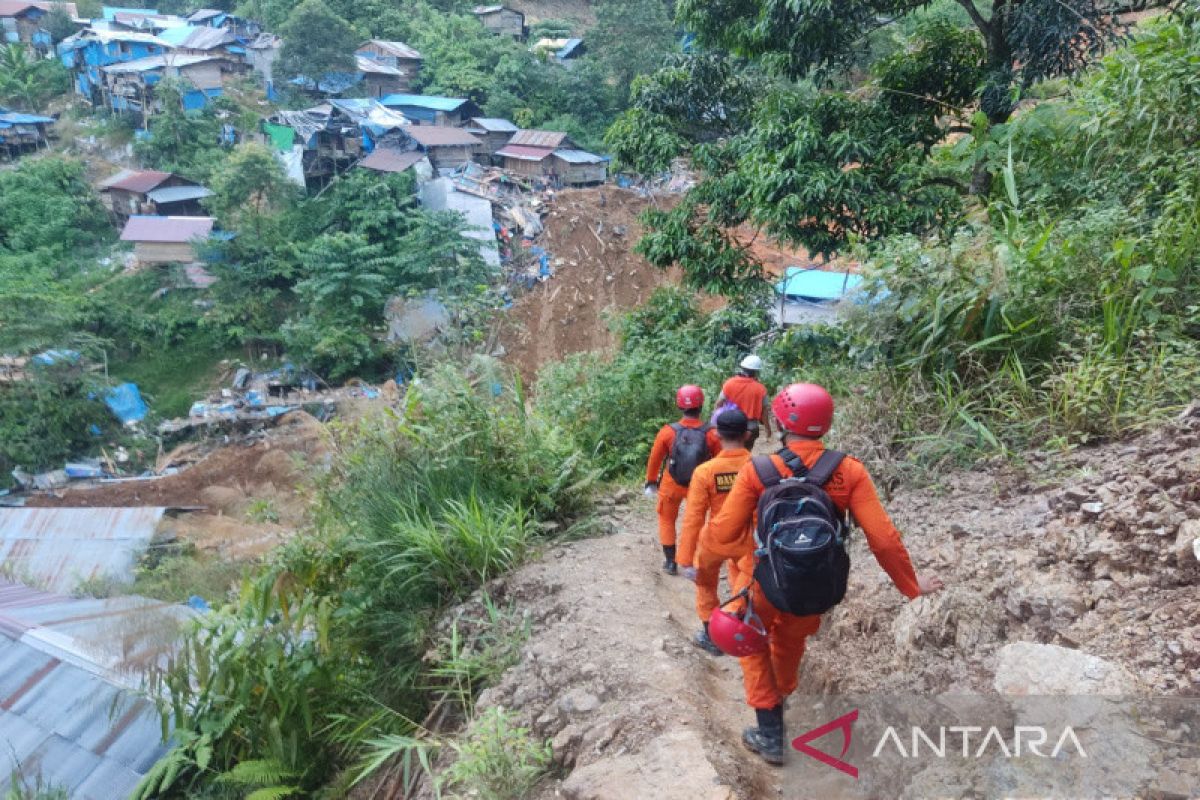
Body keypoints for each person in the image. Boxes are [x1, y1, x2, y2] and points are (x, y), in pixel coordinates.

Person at [701, 383, 944, 765]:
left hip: (759, 581)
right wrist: (912, 587)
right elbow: (883, 540)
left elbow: (724, 532)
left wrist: (720, 558)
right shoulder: (848, 471)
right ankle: (780, 702)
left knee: (754, 645)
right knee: (789, 644)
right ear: (826, 423)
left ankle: (770, 732)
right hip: (815, 583)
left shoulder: (758, 470)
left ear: (781, 420)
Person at [676, 408, 756, 656]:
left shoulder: (705, 472)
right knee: (745, 584)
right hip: (748, 540)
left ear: (717, 435)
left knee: (706, 584)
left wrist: (685, 559)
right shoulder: (758, 466)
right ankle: (735, 625)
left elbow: (693, 518)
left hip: (715, 540)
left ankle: (712, 635)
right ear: (746, 435)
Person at [645, 385, 721, 575]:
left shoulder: (668, 432)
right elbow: (720, 462)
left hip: (672, 483)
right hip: (699, 485)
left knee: (666, 519)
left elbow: (655, 459)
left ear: (679, 406)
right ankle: (693, 560)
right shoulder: (711, 433)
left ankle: (670, 562)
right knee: (695, 521)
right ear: (701, 405)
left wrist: (651, 481)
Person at [718, 355, 772, 448]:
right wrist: (768, 429)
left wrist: (717, 422)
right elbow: (764, 412)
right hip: (750, 428)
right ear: (756, 372)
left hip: (731, 425)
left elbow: (719, 404)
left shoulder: (729, 383)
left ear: (742, 368)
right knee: (746, 453)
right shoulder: (761, 389)